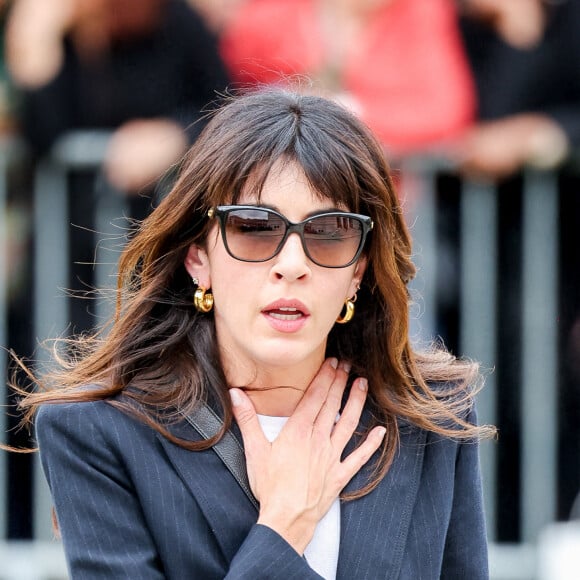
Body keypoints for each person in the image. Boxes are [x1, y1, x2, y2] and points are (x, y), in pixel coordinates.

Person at [13, 88, 494, 578]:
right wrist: (285, 527)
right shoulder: (97, 432)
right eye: (254, 227)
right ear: (197, 257)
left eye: (328, 233)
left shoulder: (434, 417)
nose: (292, 264)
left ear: (359, 269)